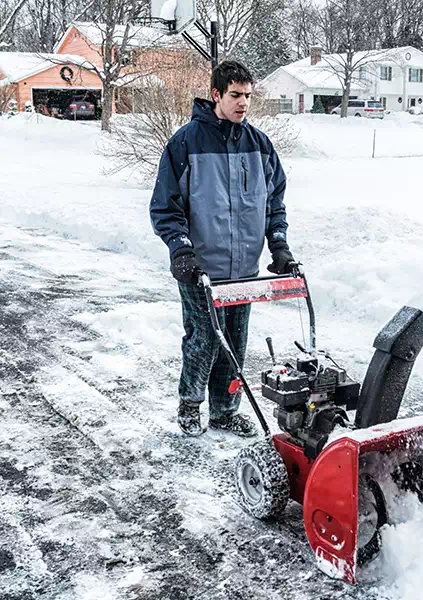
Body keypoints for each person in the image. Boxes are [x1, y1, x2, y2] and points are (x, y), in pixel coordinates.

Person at [149, 60, 298, 437]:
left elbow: (273, 201)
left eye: (247, 95)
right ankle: (189, 405)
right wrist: (181, 251)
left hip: (244, 269)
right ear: (216, 94)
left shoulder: (260, 145)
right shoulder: (185, 144)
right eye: (235, 95)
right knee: (203, 340)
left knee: (235, 343)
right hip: (201, 269)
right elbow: (166, 207)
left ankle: (224, 411)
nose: (243, 103)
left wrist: (278, 243)